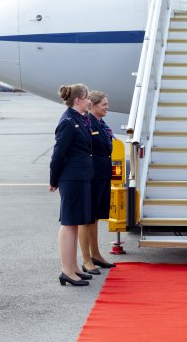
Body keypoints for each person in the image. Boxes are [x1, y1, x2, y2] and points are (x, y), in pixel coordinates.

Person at [49, 84, 94, 286]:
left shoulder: (79, 119)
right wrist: (53, 180)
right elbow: (58, 154)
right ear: (78, 100)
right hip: (71, 178)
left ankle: (73, 267)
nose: (89, 102)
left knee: (74, 222)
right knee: (68, 223)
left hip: (80, 177)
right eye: (87, 98)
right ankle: (66, 270)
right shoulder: (68, 122)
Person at [78, 91, 117, 275]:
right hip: (92, 176)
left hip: (102, 174)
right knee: (86, 218)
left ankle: (95, 254)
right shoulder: (87, 123)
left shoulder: (100, 123)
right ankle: (86, 259)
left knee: (95, 217)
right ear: (93, 105)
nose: (107, 107)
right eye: (104, 104)